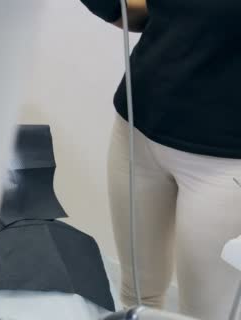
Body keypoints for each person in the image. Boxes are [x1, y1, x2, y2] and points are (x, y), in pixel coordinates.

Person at [79, 0, 241, 318]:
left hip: (222, 164)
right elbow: (145, 14)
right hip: (136, 132)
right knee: (137, 297)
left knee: (204, 313)